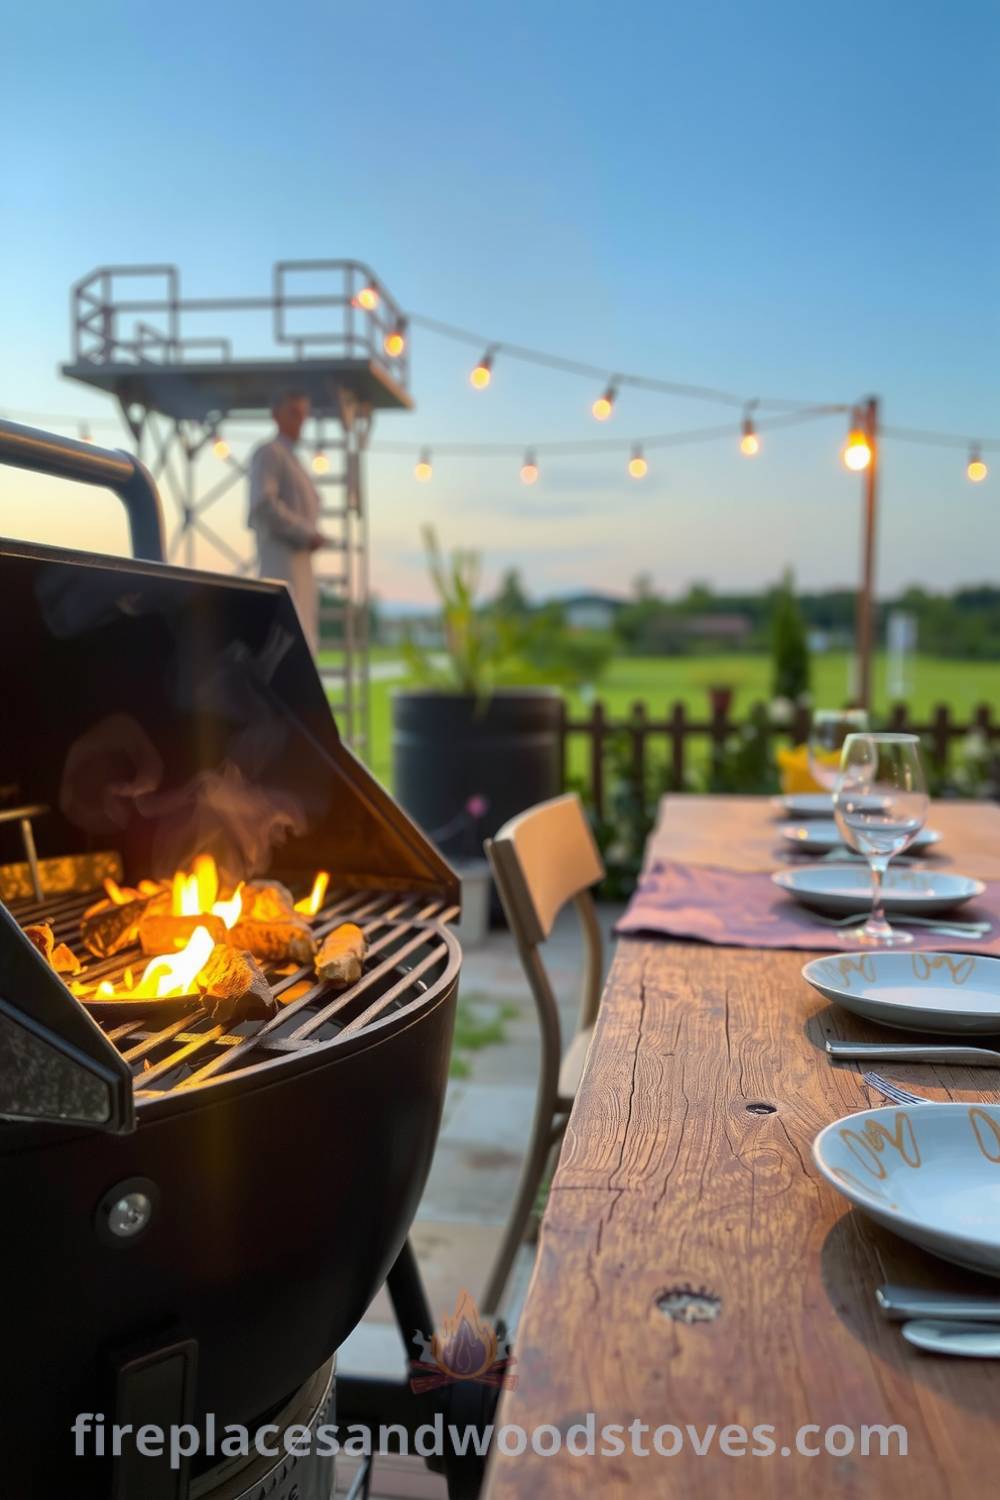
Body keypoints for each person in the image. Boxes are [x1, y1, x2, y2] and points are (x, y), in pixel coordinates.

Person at [248, 389, 327, 652]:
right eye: (293, 413)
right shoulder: (270, 453)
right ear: (276, 414)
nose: (300, 421)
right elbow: (263, 505)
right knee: (283, 639)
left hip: (301, 570)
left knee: (300, 638)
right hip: (280, 566)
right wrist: (305, 533)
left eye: (303, 415)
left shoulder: (294, 460)